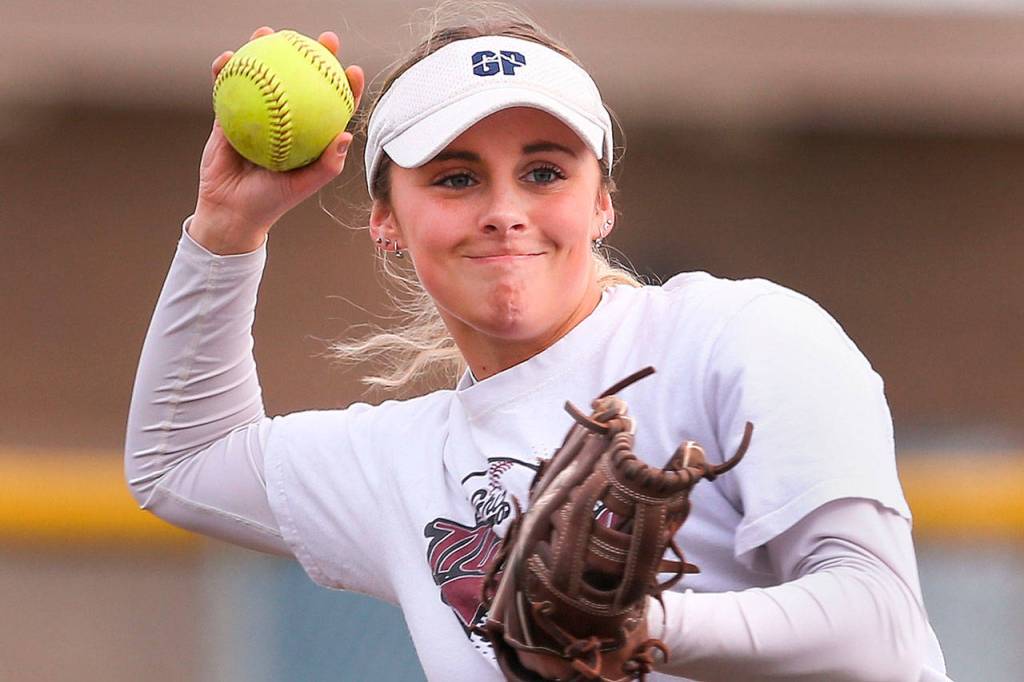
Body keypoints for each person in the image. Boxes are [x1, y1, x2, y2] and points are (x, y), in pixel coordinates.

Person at [125, 6, 952, 681]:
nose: (504, 209)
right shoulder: (405, 461)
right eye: (455, 177)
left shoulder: (740, 336)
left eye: (546, 171)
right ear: (386, 222)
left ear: (602, 205)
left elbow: (876, 624)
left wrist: (626, 625)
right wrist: (228, 228)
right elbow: (179, 463)